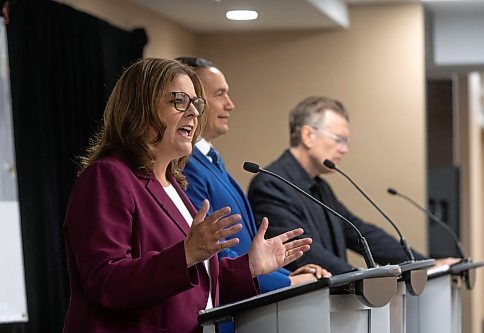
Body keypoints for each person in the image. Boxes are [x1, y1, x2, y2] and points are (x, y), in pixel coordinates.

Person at [62, 58, 312, 333]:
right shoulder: (108, 176)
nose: (194, 113)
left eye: (197, 103)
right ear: (140, 107)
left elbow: (198, 287)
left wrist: (249, 266)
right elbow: (105, 282)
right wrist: (185, 254)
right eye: (180, 101)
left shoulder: (172, 185)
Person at [247, 96, 459, 274]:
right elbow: (304, 251)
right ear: (308, 135)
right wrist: (359, 278)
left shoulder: (319, 186)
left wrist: (422, 264)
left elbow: (360, 233)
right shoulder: (271, 184)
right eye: (338, 139)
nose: (344, 149)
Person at [177, 57, 330, 294]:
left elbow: (248, 254)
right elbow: (213, 255)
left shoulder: (209, 160)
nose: (230, 104)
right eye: (220, 94)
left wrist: (292, 274)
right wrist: (290, 284)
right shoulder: (186, 165)